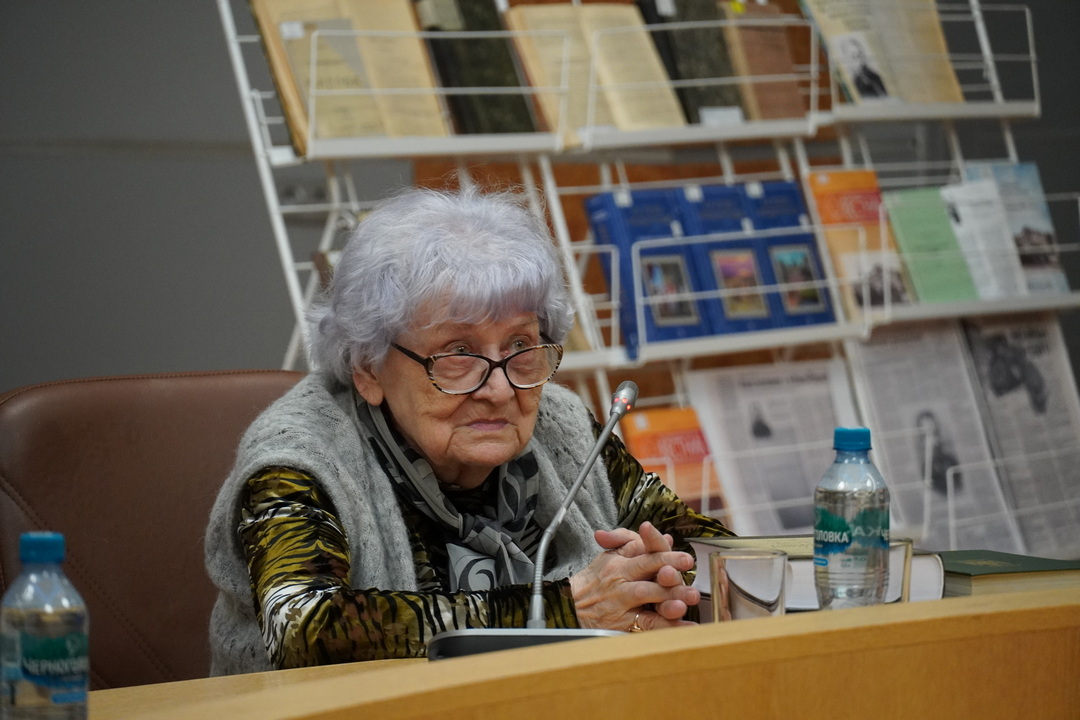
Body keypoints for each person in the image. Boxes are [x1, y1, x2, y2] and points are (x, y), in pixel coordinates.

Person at [204, 186, 734, 674]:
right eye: (458, 354)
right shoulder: (298, 460)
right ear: (368, 369)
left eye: (520, 346)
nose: (499, 389)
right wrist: (567, 609)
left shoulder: (561, 424)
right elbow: (306, 628)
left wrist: (662, 582)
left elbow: (703, 550)